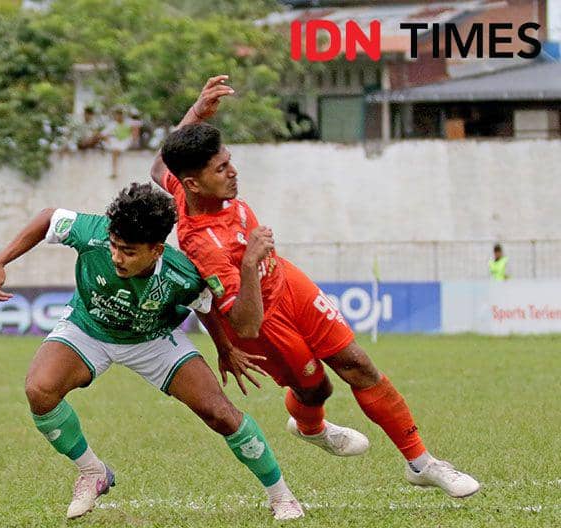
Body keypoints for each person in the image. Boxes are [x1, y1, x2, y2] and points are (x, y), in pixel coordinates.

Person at [151, 76, 480, 498]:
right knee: (316, 387)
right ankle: (311, 427)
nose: (233, 172)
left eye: (230, 160)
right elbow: (246, 325)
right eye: (221, 168)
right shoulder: (204, 243)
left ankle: (422, 463)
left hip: (288, 284)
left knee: (357, 364)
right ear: (194, 183)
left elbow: (159, 166)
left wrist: (197, 110)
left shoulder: (182, 183)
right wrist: (250, 262)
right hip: (261, 317)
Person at [0, 183, 305, 521]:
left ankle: (282, 496)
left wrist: (224, 349)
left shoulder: (181, 274)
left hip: (153, 339)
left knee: (219, 413)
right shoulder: (92, 233)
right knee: (39, 390)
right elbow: (48, 218)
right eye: (114, 246)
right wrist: (0, 261)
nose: (117, 257)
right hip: (88, 327)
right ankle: (93, 472)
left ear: (156, 250)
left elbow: (205, 307)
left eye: (129, 251)